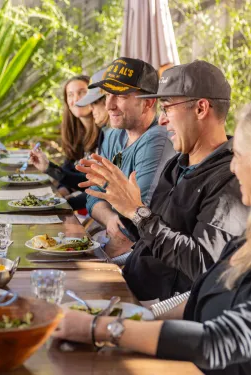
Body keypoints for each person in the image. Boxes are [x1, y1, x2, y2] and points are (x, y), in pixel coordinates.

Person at [53, 103, 251, 375]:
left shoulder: (219, 183)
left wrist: (102, 328)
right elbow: (201, 293)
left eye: (239, 155)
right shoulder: (244, 240)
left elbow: (219, 341)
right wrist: (137, 318)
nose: (232, 165)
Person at [80, 60, 248, 303]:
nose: (160, 120)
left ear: (201, 109)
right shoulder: (178, 163)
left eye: (167, 107)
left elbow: (203, 265)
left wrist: (136, 212)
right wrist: (126, 207)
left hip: (159, 307)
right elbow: (149, 235)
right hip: (130, 281)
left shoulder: (231, 178)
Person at [76, 57, 176, 257]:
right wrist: (111, 218)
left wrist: (100, 262)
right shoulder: (115, 134)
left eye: (120, 96)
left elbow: (133, 224)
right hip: (109, 236)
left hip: (141, 253)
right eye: (107, 95)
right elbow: (92, 196)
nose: (109, 106)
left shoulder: (157, 140)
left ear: (148, 103)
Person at [30, 69, 109, 210]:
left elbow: (91, 182)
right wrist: (62, 192)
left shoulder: (106, 134)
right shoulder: (76, 134)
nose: (76, 99)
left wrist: (51, 169)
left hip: (95, 208)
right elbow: (69, 172)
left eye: (82, 92)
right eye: (70, 95)